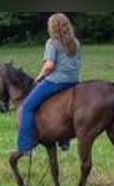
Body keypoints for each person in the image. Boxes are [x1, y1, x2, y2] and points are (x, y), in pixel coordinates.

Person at [17, 12, 81, 155]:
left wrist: (39, 77)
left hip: (56, 82)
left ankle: (26, 146)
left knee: (27, 107)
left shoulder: (52, 42)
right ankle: (64, 141)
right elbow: (77, 64)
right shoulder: (75, 42)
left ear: (52, 27)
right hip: (74, 82)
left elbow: (49, 66)